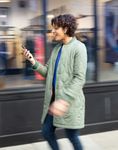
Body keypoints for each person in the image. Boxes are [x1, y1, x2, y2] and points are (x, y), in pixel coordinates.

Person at [23, 14, 87, 150]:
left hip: (69, 103)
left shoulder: (79, 48)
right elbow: (47, 72)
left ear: (65, 29)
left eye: (55, 28)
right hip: (53, 102)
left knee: (72, 136)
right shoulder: (57, 49)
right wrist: (33, 61)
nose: (52, 32)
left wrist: (64, 100)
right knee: (46, 132)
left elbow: (79, 78)